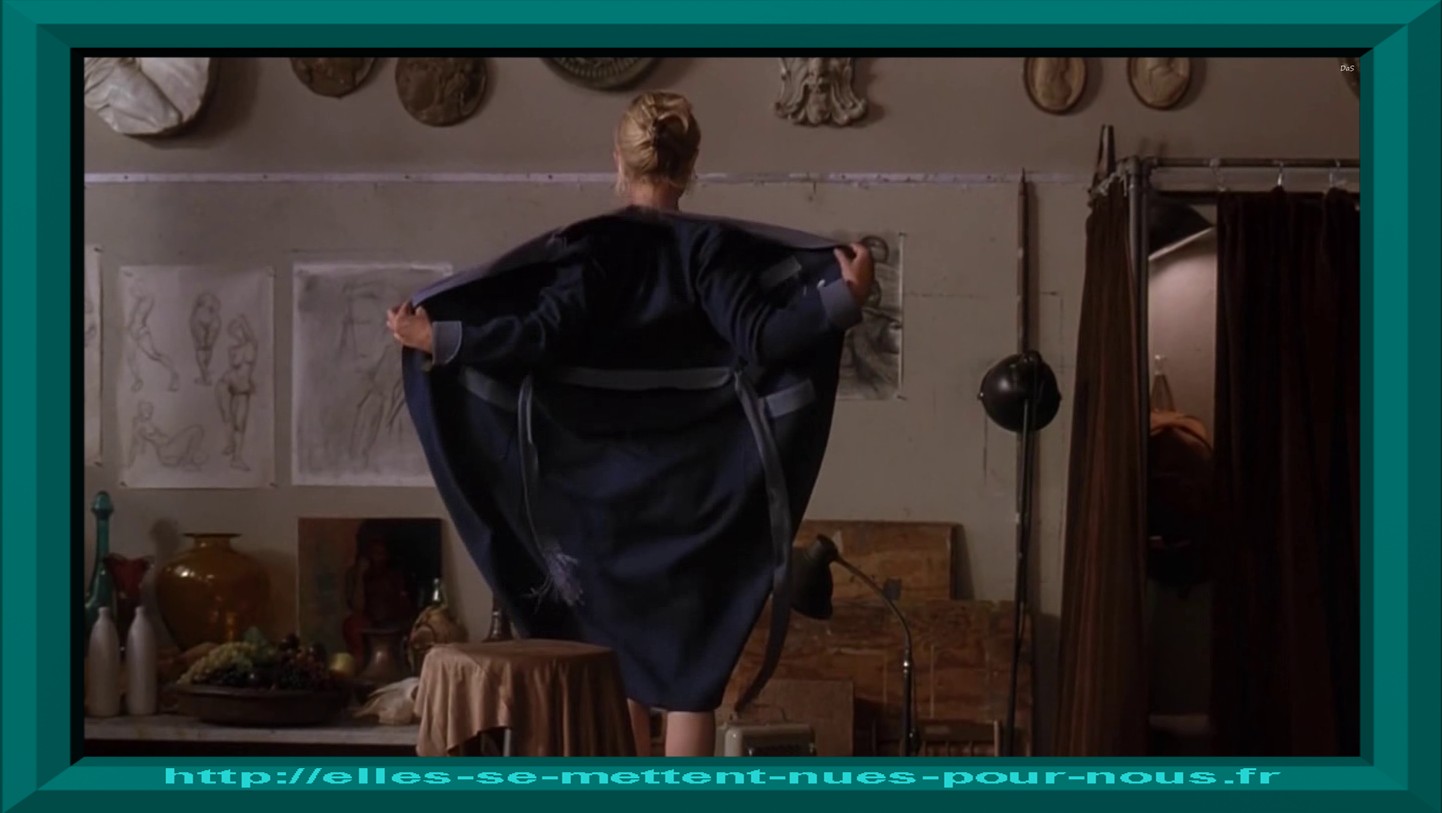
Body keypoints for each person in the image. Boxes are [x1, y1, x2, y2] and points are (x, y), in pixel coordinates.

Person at [389, 92, 874, 758]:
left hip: (604, 499)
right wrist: (843, 301)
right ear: (690, 165)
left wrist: (439, 337)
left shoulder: (595, 248)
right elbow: (764, 338)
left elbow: (534, 336)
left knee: (614, 667)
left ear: (618, 161)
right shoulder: (710, 250)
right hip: (698, 497)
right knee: (692, 677)